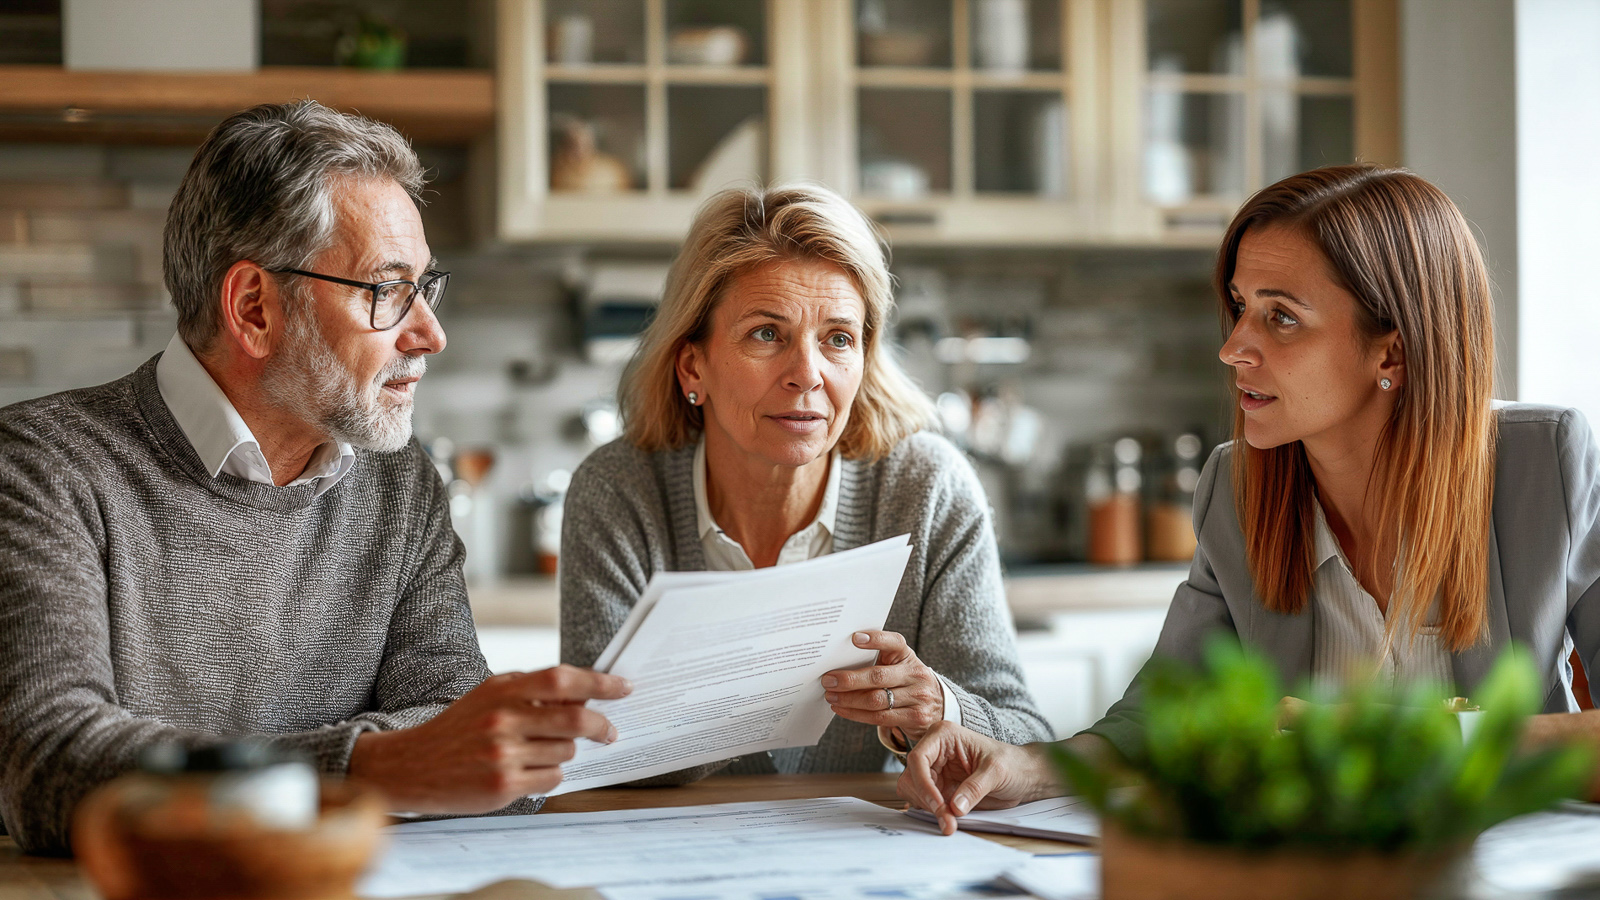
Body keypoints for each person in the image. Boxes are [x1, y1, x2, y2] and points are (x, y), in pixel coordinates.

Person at [0, 101, 630, 856]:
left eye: (427, 287)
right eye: (388, 289)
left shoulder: (400, 485)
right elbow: (48, 765)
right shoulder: (40, 467)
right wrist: (374, 766)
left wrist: (442, 757)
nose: (431, 332)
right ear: (255, 309)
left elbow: (457, 734)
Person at [897, 164, 1600, 833]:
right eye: (1239, 307)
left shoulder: (1544, 464)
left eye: (1281, 317)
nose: (1235, 347)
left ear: (1392, 352)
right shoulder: (1238, 488)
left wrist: (1426, 737)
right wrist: (1027, 766)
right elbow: (1158, 719)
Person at [559, 184, 1050, 779]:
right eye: (767, 334)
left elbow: (1027, 740)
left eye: (838, 338)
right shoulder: (618, 492)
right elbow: (596, 756)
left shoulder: (927, 487)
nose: (807, 375)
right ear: (694, 366)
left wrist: (937, 707)